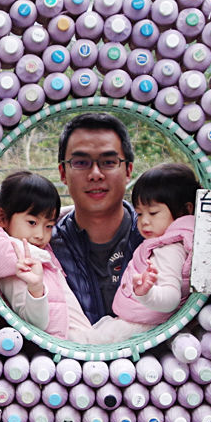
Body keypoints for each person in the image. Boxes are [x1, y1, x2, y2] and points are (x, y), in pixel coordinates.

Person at [50, 111, 146, 324]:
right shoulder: (46, 248)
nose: (95, 174)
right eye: (81, 162)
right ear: (63, 173)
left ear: (128, 170)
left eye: (109, 162)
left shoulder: (155, 240)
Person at [102, 162, 200, 342]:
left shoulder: (170, 249)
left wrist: (146, 293)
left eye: (153, 213)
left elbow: (171, 298)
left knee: (88, 340)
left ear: (186, 210)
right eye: (139, 214)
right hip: (142, 320)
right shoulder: (179, 241)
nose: (144, 221)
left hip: (142, 325)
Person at [0, 171, 78, 338]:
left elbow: (51, 216)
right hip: (57, 348)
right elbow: (36, 324)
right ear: (2, 218)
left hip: (71, 337)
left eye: (49, 226)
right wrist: (35, 288)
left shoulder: (32, 248)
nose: (41, 234)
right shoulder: (15, 268)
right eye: (32, 223)